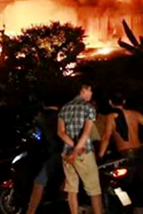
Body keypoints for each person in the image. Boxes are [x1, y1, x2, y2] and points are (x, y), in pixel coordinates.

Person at [99, 93, 143, 214]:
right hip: (139, 153)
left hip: (125, 157)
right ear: (123, 101)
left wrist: (100, 156)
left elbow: (106, 137)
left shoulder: (111, 117)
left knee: (121, 188)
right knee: (139, 191)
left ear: (110, 102)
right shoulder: (134, 114)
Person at [58, 83, 103, 214]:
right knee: (94, 191)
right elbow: (86, 133)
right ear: (84, 90)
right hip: (83, 152)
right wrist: (77, 150)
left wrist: (71, 148)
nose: (91, 94)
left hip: (66, 153)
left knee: (71, 190)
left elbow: (60, 132)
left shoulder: (64, 108)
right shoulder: (89, 108)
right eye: (90, 91)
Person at [26, 95, 64, 214]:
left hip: (53, 154)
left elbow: (35, 135)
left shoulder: (42, 117)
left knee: (40, 181)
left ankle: (31, 211)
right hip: (69, 152)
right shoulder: (64, 116)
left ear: (43, 104)